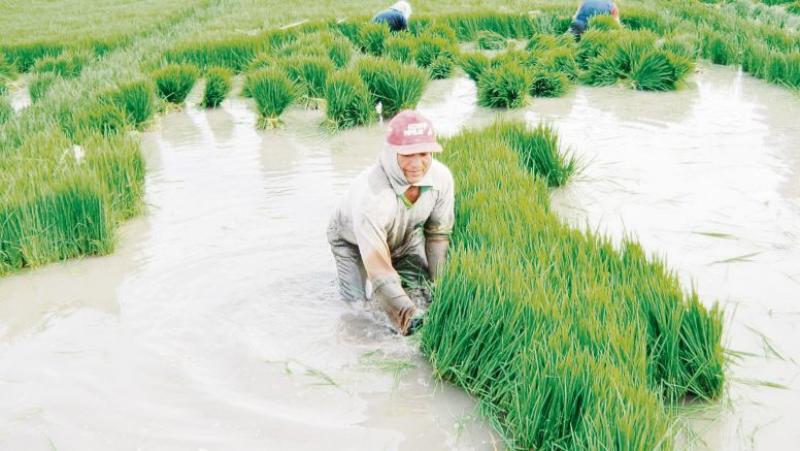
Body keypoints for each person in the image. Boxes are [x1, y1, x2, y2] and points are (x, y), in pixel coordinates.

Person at [327, 110, 454, 336]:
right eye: (407, 155)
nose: (416, 164)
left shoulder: (441, 179)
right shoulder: (373, 196)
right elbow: (379, 270)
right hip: (351, 241)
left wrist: (441, 288)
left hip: (404, 238)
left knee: (421, 292)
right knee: (358, 307)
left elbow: (437, 235)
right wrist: (407, 315)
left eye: (423, 153)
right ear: (390, 151)